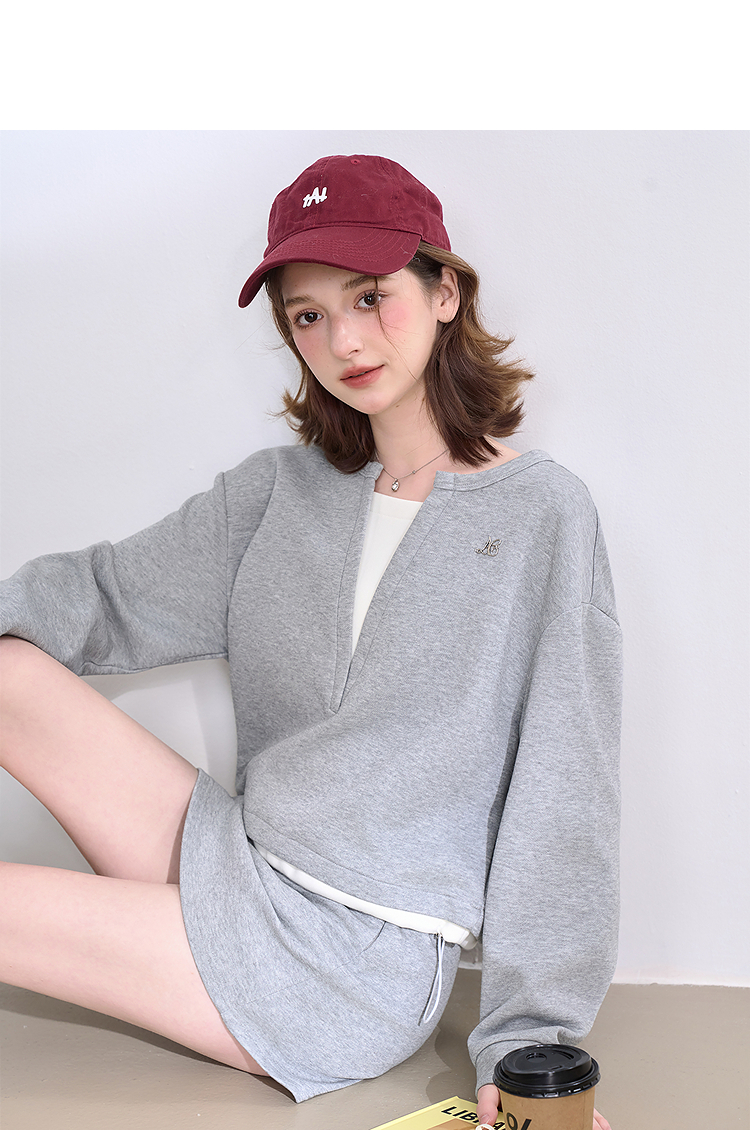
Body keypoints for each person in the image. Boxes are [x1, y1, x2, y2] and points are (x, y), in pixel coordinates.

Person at [0, 154, 620, 1130]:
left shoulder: (543, 516)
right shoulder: (277, 493)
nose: (344, 339)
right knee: (9, 668)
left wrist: (528, 1041)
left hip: (349, 962)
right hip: (239, 858)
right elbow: (105, 593)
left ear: (445, 292)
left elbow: (565, 787)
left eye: (371, 297)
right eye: (308, 315)